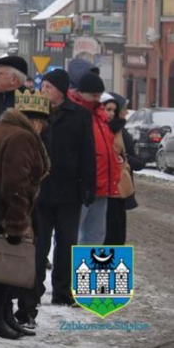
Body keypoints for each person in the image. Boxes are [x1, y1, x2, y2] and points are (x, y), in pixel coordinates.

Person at [0, 90, 51, 340]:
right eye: (41, 121)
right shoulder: (22, 137)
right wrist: (16, 223)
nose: (42, 127)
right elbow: (15, 184)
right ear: (34, 120)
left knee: (2, 265)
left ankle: (4, 314)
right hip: (5, 212)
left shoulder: (3, 128)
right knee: (4, 264)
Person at [34, 69, 96, 311]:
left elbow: (87, 153)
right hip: (40, 189)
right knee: (39, 243)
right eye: (43, 87)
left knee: (67, 242)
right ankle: (33, 288)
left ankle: (62, 291)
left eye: (48, 87)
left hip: (69, 190)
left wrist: (88, 186)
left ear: (60, 90)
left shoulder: (79, 115)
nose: (44, 91)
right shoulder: (36, 113)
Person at [69, 73, 120, 245]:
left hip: (102, 186)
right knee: (72, 234)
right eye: (94, 95)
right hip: (81, 187)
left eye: (99, 95)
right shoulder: (74, 113)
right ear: (81, 92)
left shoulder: (100, 115)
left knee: (96, 234)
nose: (97, 99)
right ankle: (68, 270)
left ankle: (87, 271)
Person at [100, 92, 143, 245]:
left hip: (117, 190)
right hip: (102, 189)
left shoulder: (118, 129)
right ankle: (94, 268)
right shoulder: (100, 128)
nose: (111, 113)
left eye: (114, 110)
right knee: (99, 235)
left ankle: (112, 268)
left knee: (116, 236)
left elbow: (126, 155)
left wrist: (125, 160)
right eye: (108, 109)